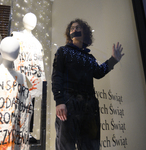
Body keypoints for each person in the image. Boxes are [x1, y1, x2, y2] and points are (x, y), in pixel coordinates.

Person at [52, 19, 124, 150]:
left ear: (84, 32)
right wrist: (59, 101)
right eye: (72, 28)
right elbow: (57, 76)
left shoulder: (89, 57)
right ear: (69, 33)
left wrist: (113, 60)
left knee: (90, 144)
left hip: (89, 105)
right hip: (69, 102)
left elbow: (98, 72)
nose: (74, 30)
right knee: (66, 145)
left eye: (78, 27)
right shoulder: (63, 51)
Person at [12, 13, 46, 143]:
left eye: (34, 19)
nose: (32, 21)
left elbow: (40, 61)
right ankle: (15, 130)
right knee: (17, 102)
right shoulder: (16, 36)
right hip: (20, 74)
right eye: (29, 18)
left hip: (32, 78)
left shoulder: (37, 42)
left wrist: (42, 78)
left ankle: (27, 132)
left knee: (30, 104)